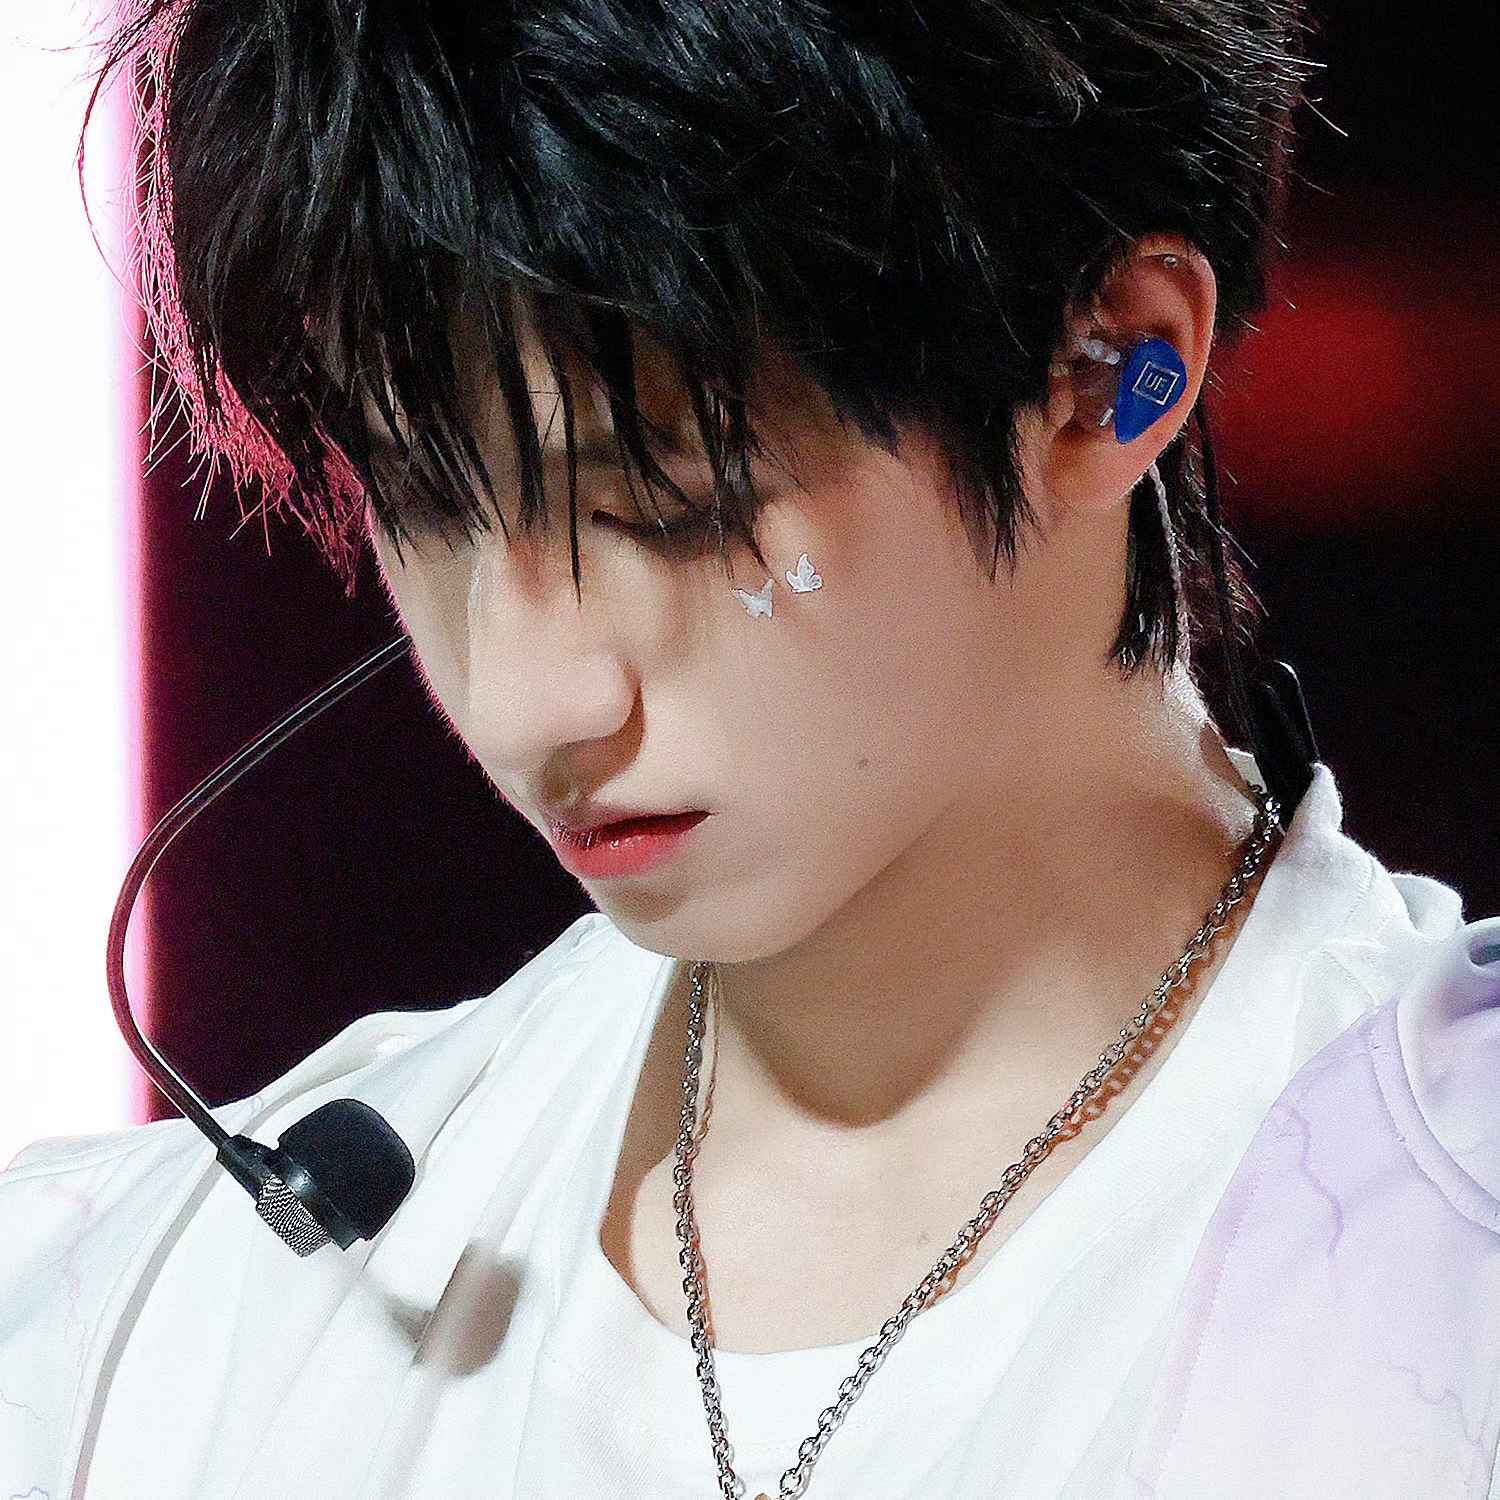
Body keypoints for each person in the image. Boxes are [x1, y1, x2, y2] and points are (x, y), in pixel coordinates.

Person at [3, 0, 1497, 1496]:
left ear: (1109, 372)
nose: (526, 702)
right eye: (427, 502)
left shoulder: (1448, 1268)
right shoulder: (153, 1334)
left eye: (670, 503)